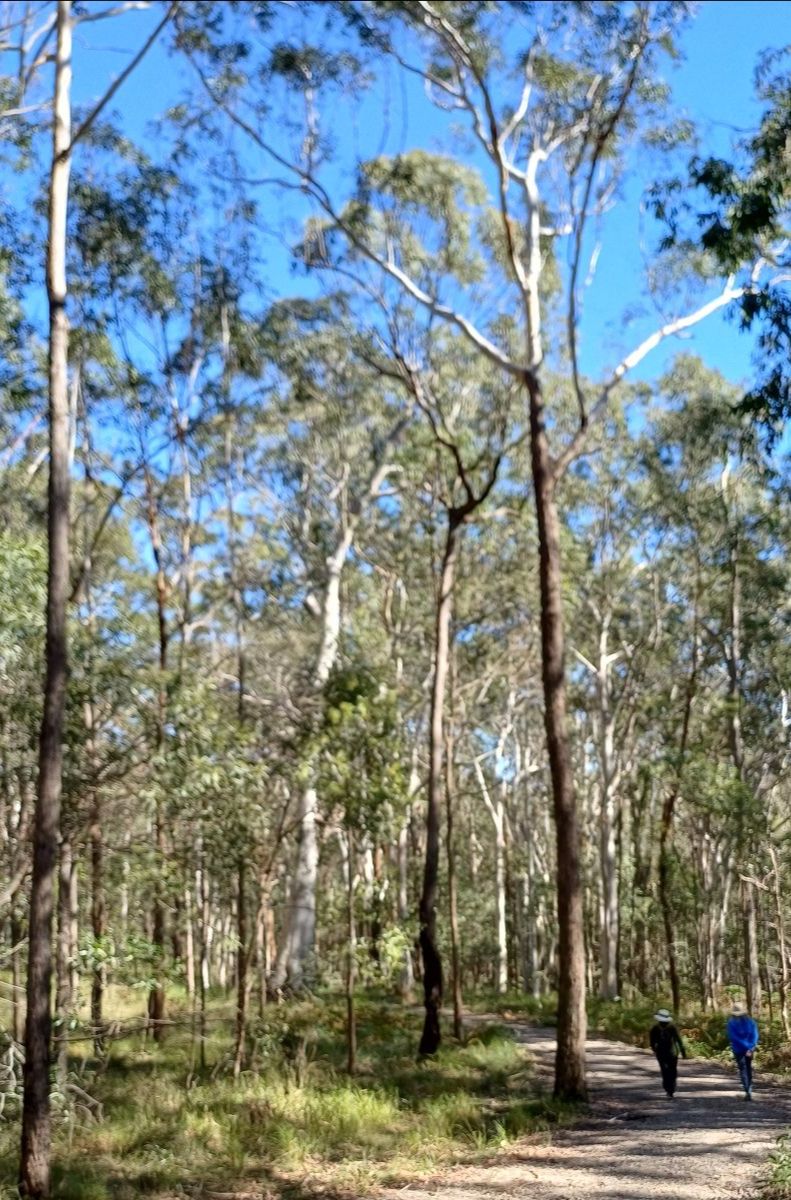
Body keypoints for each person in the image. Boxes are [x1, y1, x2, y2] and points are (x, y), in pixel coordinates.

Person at [650, 1008, 686, 1098]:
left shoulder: (672, 1028)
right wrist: (655, 1050)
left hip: (672, 1052)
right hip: (661, 1052)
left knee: (673, 1071)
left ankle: (671, 1088)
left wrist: (682, 1051)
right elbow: (652, 1042)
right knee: (665, 1071)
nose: (664, 1023)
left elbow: (678, 1040)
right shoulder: (654, 1029)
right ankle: (668, 1088)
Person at [727, 1001, 759, 1100]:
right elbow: (755, 1035)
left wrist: (746, 1047)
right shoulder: (751, 1021)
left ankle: (747, 1091)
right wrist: (750, 1047)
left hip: (739, 1050)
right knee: (748, 1069)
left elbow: (734, 1037)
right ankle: (749, 1089)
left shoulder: (731, 1023)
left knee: (743, 1070)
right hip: (750, 1050)